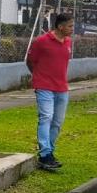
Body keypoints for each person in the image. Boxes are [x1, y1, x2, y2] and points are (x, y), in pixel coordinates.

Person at [26, 13, 74, 171]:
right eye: (69, 26)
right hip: (44, 86)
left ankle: (50, 153)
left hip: (62, 88)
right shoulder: (42, 41)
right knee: (46, 117)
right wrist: (38, 77)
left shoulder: (68, 42)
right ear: (60, 27)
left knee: (57, 122)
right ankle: (45, 154)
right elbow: (30, 61)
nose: (72, 29)